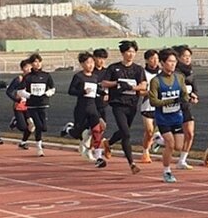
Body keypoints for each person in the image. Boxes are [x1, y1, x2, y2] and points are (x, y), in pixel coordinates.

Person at [100, 40, 146, 173]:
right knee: (126, 133)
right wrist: (117, 83)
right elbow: (104, 82)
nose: (131, 54)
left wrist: (131, 87)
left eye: (133, 51)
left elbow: (143, 86)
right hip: (118, 104)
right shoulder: (114, 68)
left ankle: (108, 143)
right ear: (122, 53)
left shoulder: (138, 69)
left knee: (123, 131)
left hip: (132, 104)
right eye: (128, 51)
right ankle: (132, 163)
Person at [148, 49, 190, 183]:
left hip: (177, 117)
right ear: (162, 63)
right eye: (170, 61)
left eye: (174, 61)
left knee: (178, 146)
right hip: (163, 119)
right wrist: (171, 101)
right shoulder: (156, 81)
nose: (172, 64)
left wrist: (188, 97)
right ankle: (167, 171)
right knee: (170, 145)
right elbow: (153, 101)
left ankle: (158, 139)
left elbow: (184, 94)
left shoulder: (179, 77)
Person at [65, 52, 106, 163]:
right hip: (81, 108)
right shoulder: (78, 77)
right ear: (82, 64)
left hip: (92, 107)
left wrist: (103, 93)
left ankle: (98, 156)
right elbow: (71, 91)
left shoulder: (95, 77)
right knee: (78, 132)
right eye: (88, 63)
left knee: (97, 130)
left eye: (92, 62)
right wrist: (82, 91)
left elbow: (96, 89)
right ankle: (69, 129)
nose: (91, 65)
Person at [18, 53, 55, 157]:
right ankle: (39, 148)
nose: (37, 64)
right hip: (32, 106)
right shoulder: (28, 77)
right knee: (38, 125)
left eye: (39, 61)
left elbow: (52, 88)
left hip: (43, 104)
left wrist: (46, 94)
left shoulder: (46, 75)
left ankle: (39, 145)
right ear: (31, 64)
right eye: (35, 62)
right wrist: (30, 96)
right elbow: (20, 91)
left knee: (43, 127)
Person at [173, 45, 198, 170]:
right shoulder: (174, 72)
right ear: (178, 58)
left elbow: (194, 88)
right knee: (176, 145)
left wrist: (194, 96)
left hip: (185, 106)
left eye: (189, 56)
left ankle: (182, 160)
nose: (188, 59)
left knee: (190, 133)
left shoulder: (191, 72)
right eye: (184, 57)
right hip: (173, 107)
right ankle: (159, 139)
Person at [138, 49, 162, 164]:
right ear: (147, 60)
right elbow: (140, 92)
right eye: (152, 59)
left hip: (161, 105)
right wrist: (150, 92)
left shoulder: (162, 73)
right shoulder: (142, 73)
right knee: (149, 130)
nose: (155, 61)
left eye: (157, 59)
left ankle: (157, 140)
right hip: (147, 106)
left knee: (165, 128)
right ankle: (145, 152)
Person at [6, 59, 32, 140]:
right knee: (23, 127)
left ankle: (23, 142)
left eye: (30, 67)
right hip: (19, 106)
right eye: (26, 67)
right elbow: (9, 91)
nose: (28, 69)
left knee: (32, 125)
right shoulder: (19, 79)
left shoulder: (34, 79)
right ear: (22, 68)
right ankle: (15, 121)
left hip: (30, 106)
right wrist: (17, 100)